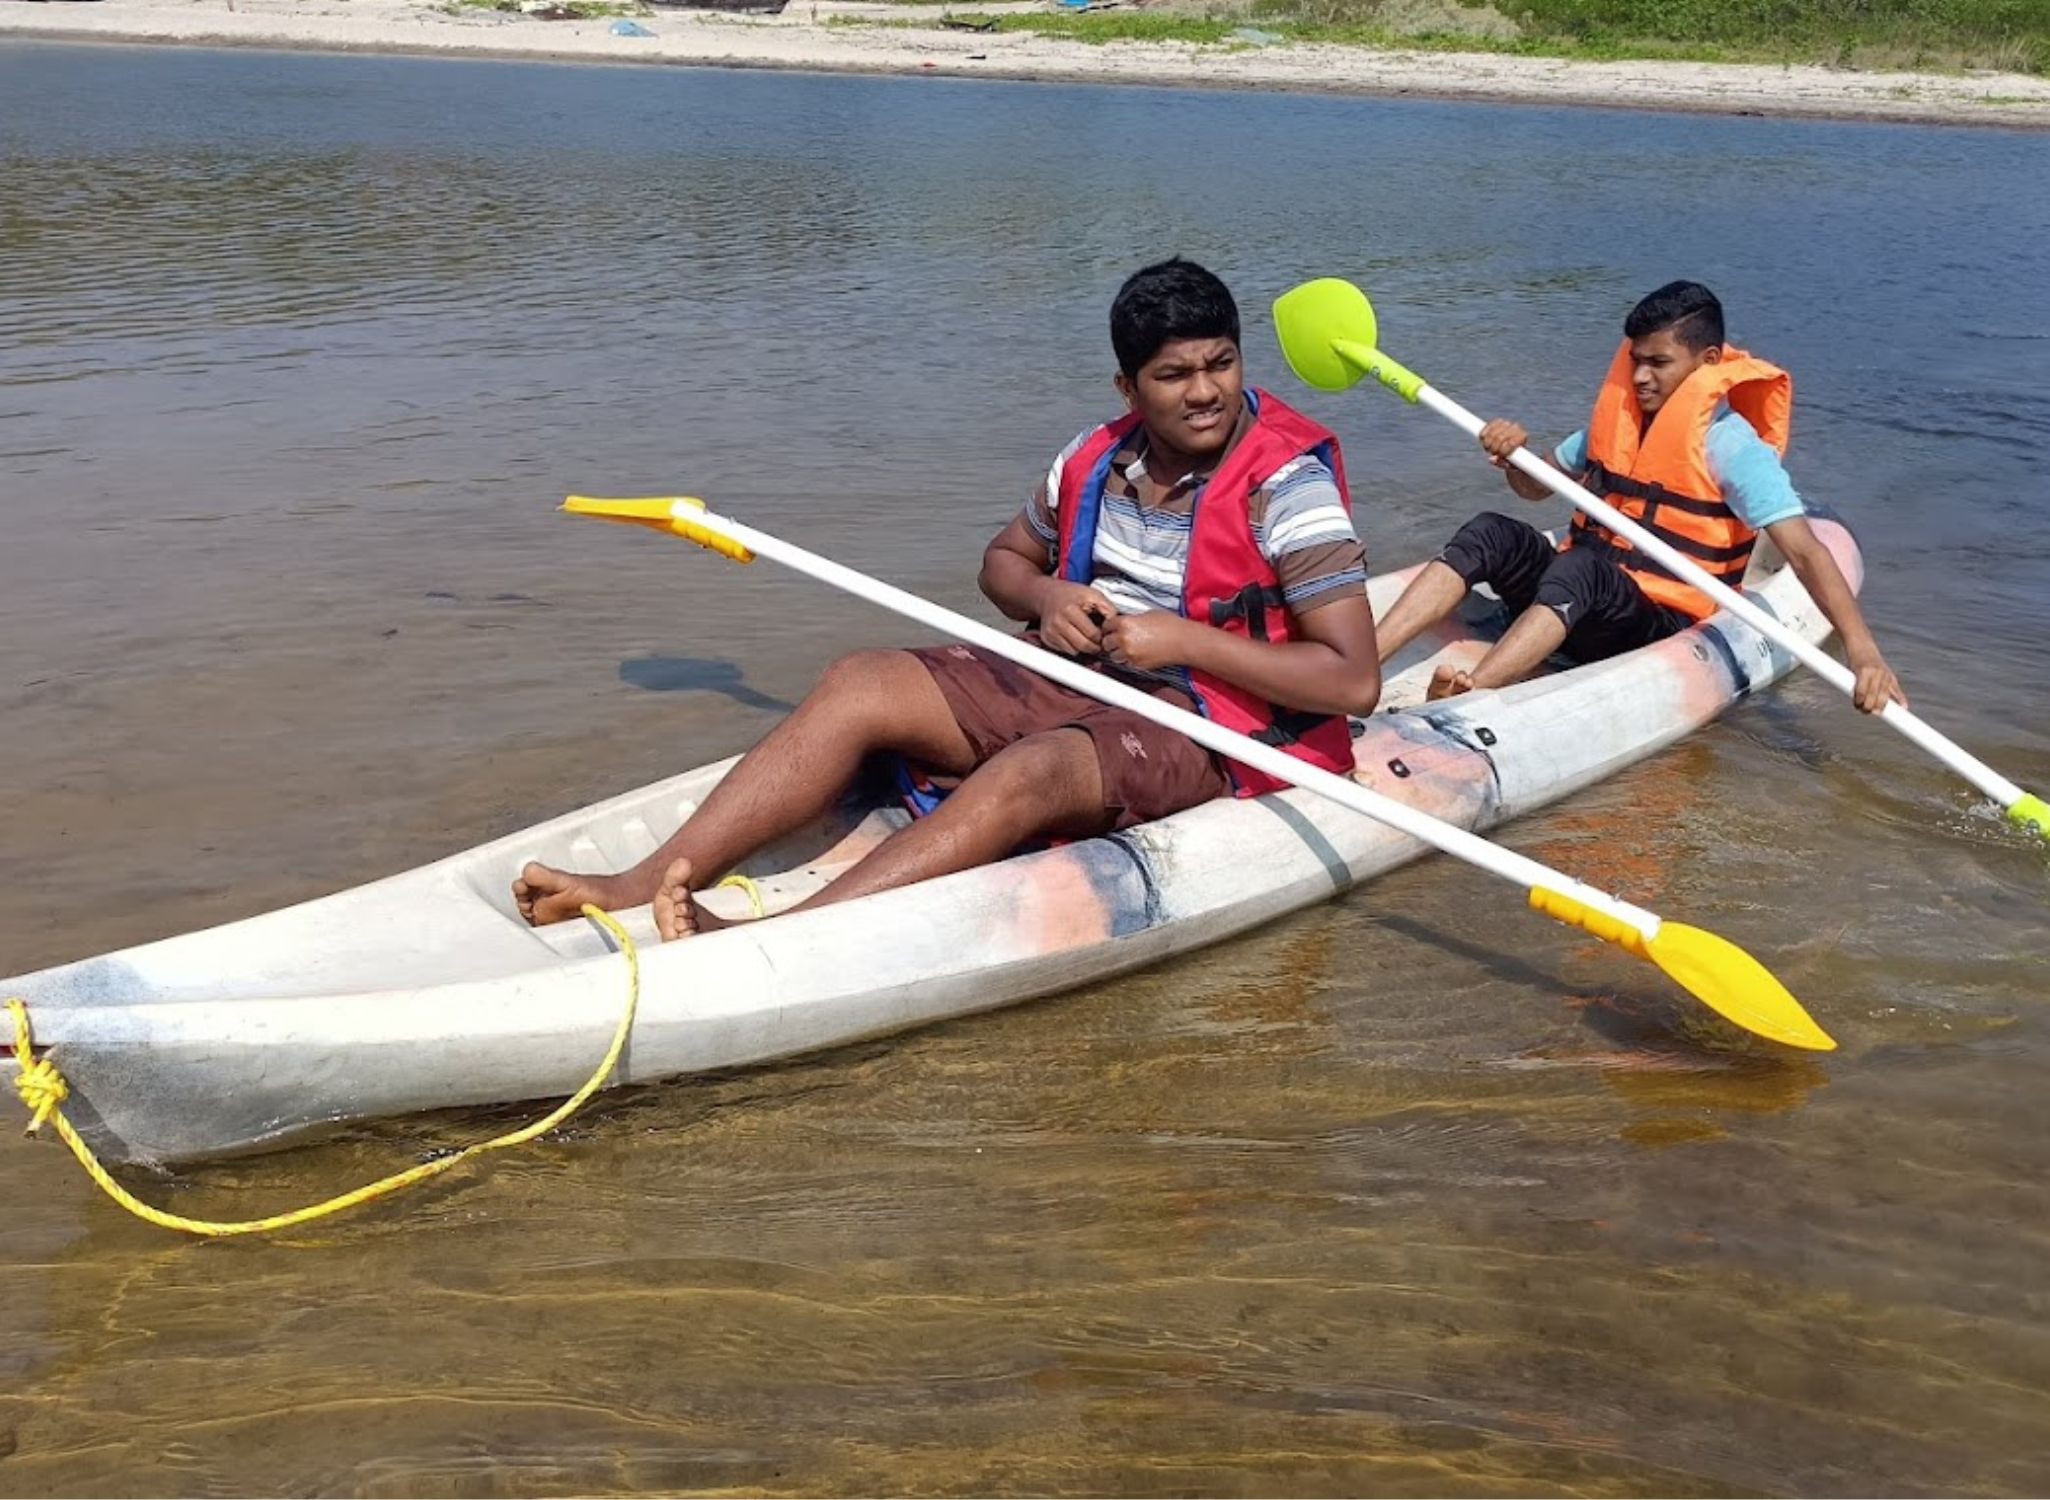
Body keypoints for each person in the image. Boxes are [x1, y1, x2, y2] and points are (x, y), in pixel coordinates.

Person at [515, 258, 1380, 940]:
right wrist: (1046, 597)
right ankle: (641, 881)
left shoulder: (1288, 488)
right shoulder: (1092, 455)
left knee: (1029, 771)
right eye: (1174, 373)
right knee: (861, 678)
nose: (1204, 392)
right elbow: (1001, 564)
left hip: (1211, 720)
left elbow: (1350, 684)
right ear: (1128, 389)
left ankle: (785, 933)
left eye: (1221, 364)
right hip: (1081, 670)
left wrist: (1183, 643)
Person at [1371, 281, 1904, 712]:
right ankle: (1363, 662)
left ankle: (1468, 696)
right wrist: (1515, 456)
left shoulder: (1731, 447)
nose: (1642, 377)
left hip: (1655, 619)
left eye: (1659, 363)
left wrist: (1863, 651)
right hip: (1580, 599)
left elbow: (1807, 552)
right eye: (1636, 362)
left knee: (1580, 570)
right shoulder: (1617, 423)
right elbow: (1535, 488)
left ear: (1708, 359)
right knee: (1491, 530)